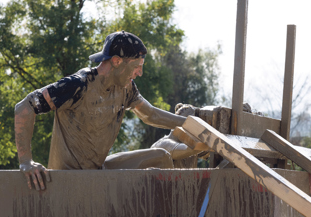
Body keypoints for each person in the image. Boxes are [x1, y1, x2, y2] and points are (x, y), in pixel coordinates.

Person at [14, 31, 186, 191]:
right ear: (117, 61)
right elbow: (25, 107)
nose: (140, 73)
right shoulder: (79, 84)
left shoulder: (127, 88)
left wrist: (189, 123)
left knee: (162, 157)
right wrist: (26, 162)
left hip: (98, 171)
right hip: (67, 178)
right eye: (137, 66)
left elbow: (151, 114)